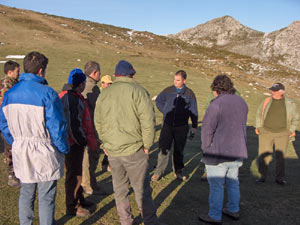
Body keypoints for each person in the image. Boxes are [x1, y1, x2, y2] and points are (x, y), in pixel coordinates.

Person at [0, 51, 70, 225]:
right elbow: (57, 126)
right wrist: (63, 148)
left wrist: (16, 141)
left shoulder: (10, 94)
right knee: (46, 197)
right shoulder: (47, 93)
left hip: (21, 149)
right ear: (41, 71)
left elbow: (4, 125)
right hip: (44, 150)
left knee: (26, 192)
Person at [94, 60, 159, 225]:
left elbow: (98, 122)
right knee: (142, 190)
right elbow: (148, 121)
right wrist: (147, 145)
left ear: (116, 75)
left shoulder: (104, 93)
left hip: (113, 151)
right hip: (134, 150)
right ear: (132, 74)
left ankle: (126, 222)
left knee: (120, 189)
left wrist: (105, 144)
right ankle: (150, 222)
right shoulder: (138, 91)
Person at [199, 75, 248, 224]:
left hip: (218, 152)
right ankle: (233, 209)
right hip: (237, 150)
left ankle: (214, 215)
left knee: (217, 185)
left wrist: (206, 148)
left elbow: (207, 129)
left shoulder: (216, 104)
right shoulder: (241, 102)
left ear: (216, 89)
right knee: (233, 182)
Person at [59, 68, 99, 217]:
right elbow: (73, 124)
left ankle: (80, 199)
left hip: (74, 142)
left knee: (78, 173)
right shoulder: (71, 98)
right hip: (72, 143)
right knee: (74, 175)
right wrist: (82, 141)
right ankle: (73, 206)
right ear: (80, 84)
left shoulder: (74, 96)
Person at [151, 70, 198, 182]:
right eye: (174, 79)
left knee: (179, 150)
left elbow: (194, 111)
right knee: (163, 149)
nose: (175, 82)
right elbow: (158, 100)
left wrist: (194, 126)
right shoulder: (168, 90)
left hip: (182, 127)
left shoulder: (190, 94)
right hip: (167, 125)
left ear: (184, 80)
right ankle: (158, 172)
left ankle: (178, 171)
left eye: (178, 80)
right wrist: (165, 112)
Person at [255, 82, 298, 185]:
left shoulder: (290, 103)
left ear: (281, 92)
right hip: (266, 132)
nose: (272, 92)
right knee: (263, 156)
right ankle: (262, 177)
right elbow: (259, 114)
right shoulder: (266, 101)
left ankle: (279, 178)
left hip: (283, 134)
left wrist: (290, 130)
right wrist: (259, 127)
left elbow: (295, 118)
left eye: (275, 90)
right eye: (272, 90)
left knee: (280, 157)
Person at [81, 61, 107, 196]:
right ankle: (88, 184)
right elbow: (97, 109)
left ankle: (90, 182)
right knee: (89, 157)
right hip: (91, 127)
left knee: (89, 156)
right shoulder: (92, 88)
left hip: (84, 127)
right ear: (95, 73)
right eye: (99, 73)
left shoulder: (82, 84)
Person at [0, 60, 20, 187]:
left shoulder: (4, 83)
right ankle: (12, 175)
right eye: (17, 71)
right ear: (10, 72)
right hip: (7, 121)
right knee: (10, 148)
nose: (19, 74)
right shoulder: (8, 86)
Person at [99, 75, 113, 172]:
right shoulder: (99, 93)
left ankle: (106, 163)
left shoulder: (112, 94)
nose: (108, 85)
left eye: (110, 84)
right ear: (102, 83)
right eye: (106, 83)